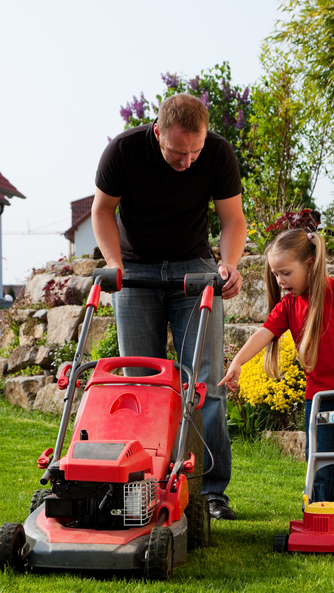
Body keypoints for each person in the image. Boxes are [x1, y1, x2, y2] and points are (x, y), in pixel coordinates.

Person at [92, 93, 247, 520]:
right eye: (179, 152)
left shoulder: (216, 153)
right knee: (141, 385)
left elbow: (233, 220)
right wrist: (114, 264)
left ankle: (210, 492)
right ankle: (141, 483)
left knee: (206, 384)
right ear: (158, 132)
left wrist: (228, 264)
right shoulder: (123, 151)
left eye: (195, 152)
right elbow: (102, 211)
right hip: (135, 272)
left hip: (193, 272)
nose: (188, 162)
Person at [219, 228, 334, 528]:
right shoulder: (289, 306)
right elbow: (264, 334)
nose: (280, 281)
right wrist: (237, 361)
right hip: (319, 400)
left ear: (310, 263)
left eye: (286, 273)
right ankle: (323, 520)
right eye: (276, 274)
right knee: (319, 464)